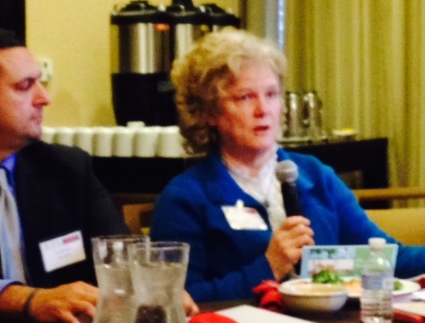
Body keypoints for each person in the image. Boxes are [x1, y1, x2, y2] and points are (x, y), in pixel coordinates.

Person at [0, 28, 197, 323]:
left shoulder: (67, 169)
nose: (45, 98)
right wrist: (29, 300)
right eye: (25, 86)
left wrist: (151, 285)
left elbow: (117, 249)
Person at [150, 28, 425, 302]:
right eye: (245, 97)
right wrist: (269, 266)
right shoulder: (185, 197)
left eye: (271, 94)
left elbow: (386, 257)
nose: (263, 109)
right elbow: (178, 302)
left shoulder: (316, 176)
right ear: (209, 112)